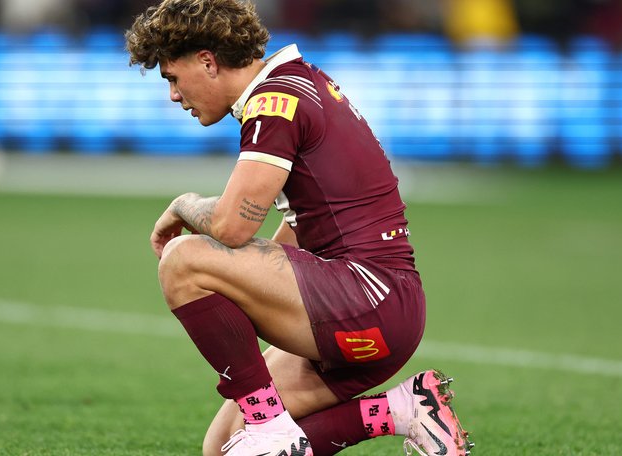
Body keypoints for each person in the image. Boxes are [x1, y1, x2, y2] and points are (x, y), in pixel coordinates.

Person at [125, 1, 473, 455]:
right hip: (383, 305)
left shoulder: (274, 101)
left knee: (184, 259)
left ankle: (272, 429)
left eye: (172, 77)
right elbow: (301, 223)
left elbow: (231, 226)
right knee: (224, 447)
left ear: (208, 61)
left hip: (367, 300)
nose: (173, 94)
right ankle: (406, 410)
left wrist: (183, 205)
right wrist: (253, 288)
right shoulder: (298, 82)